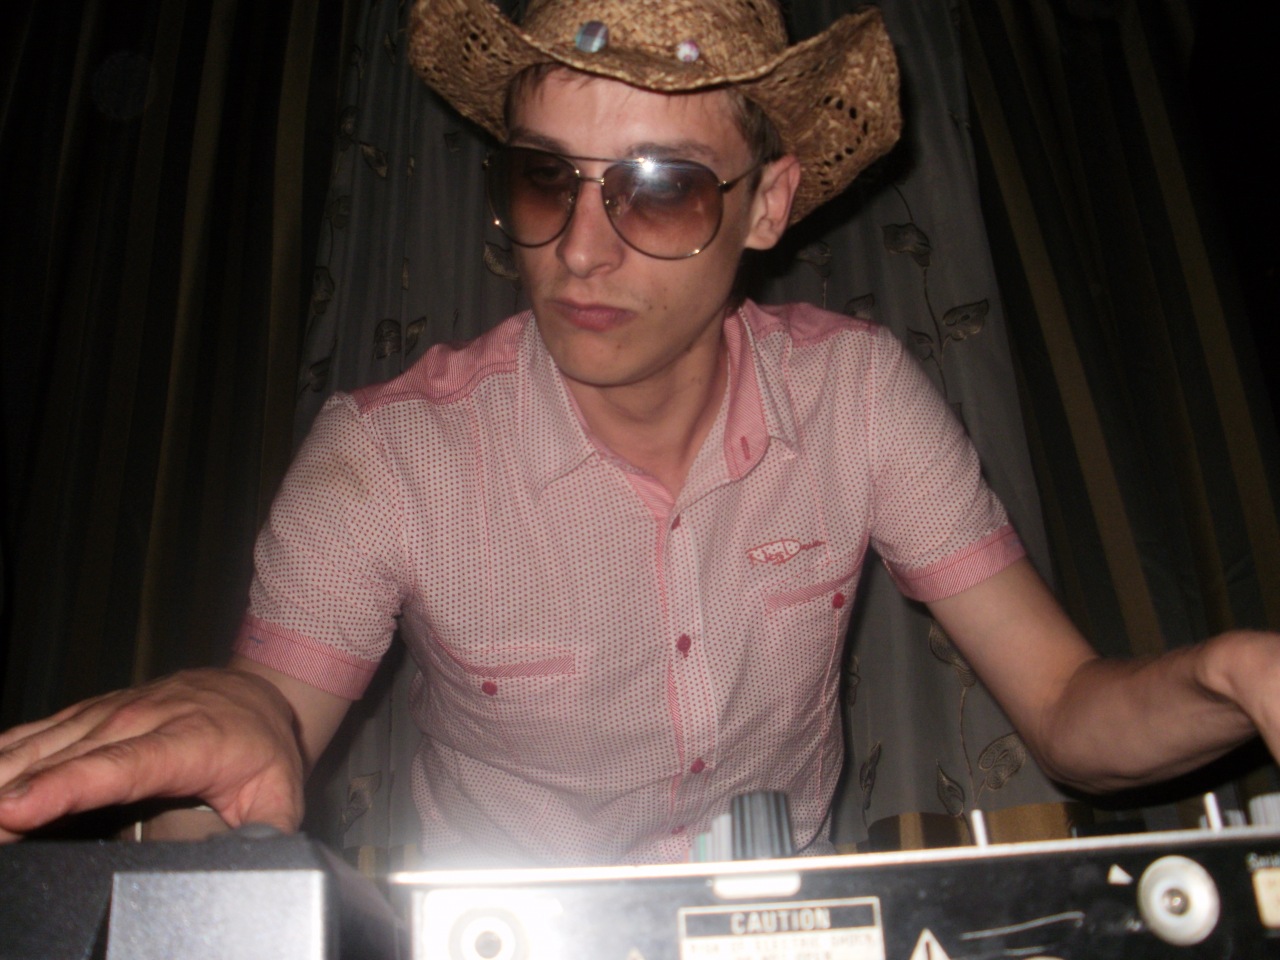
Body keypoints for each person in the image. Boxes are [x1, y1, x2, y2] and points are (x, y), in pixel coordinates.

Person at [1, 0, 1277, 864]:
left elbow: (1067, 712)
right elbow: (257, 731)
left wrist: (1226, 676)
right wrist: (214, 759)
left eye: (657, 190)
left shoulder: (858, 398)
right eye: (544, 177)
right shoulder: (385, 460)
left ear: (766, 205)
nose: (580, 249)